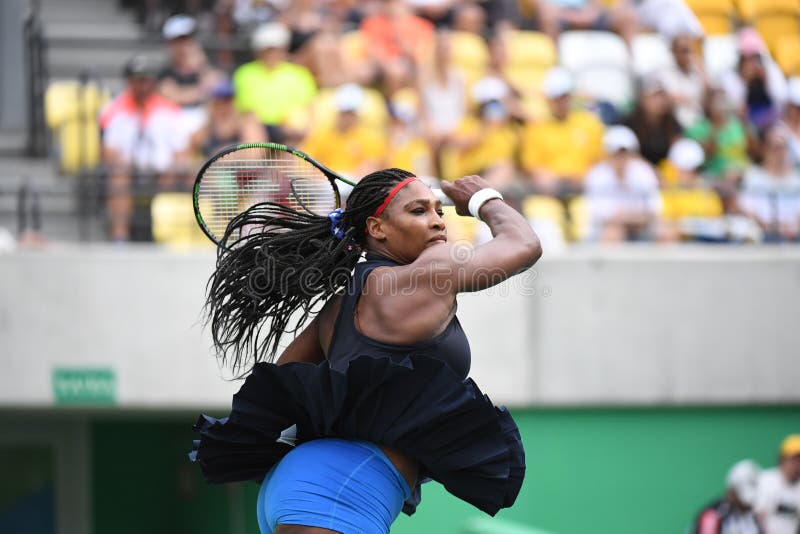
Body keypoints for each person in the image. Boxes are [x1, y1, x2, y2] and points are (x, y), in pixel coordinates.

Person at [191, 169, 541, 533]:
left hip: (306, 487)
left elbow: (279, 387)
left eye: (440, 211)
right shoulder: (430, 271)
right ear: (377, 229)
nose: (438, 222)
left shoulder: (337, 304)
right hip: (338, 492)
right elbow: (523, 245)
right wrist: (485, 200)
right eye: (419, 211)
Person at [100, 55, 192, 241]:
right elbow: (108, 153)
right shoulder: (114, 109)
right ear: (129, 81)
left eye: (147, 80)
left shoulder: (169, 110)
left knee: (191, 174)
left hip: (164, 171)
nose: (143, 86)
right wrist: (125, 165)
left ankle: (185, 238)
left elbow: (183, 151)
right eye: (138, 80)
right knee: (118, 177)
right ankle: (120, 239)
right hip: (130, 172)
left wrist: (173, 169)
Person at [521, 66, 604, 195]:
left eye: (564, 97)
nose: (561, 103)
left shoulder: (589, 124)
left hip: (584, 186)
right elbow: (532, 166)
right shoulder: (536, 128)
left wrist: (582, 177)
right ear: (548, 100)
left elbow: (599, 161)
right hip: (552, 189)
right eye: (557, 98)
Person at [233, 22, 317, 143]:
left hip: (289, 129)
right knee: (251, 130)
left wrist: (293, 126)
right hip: (259, 127)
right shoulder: (244, 73)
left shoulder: (300, 74)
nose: (272, 54)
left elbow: (309, 108)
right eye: (268, 49)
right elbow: (245, 110)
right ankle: (254, 160)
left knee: (296, 134)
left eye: (276, 49)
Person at [584, 125, 661, 242]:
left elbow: (655, 207)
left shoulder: (643, 171)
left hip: (642, 227)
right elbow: (595, 212)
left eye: (624, 153)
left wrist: (627, 218)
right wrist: (630, 218)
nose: (621, 158)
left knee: (666, 232)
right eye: (616, 153)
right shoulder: (596, 174)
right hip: (607, 228)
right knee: (613, 233)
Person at [158, 14, 224, 136]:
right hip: (175, 127)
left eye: (189, 38)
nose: (186, 44)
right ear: (170, 44)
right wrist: (203, 90)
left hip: (204, 127)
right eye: (181, 39)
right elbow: (175, 96)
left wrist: (201, 66)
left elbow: (218, 87)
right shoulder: (165, 73)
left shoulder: (203, 67)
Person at [719, 28, 788, 133]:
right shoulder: (729, 76)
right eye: (746, 58)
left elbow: (781, 102)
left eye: (754, 57)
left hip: (771, 121)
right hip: (742, 124)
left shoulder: (770, 69)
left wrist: (767, 81)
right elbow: (735, 108)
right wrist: (744, 82)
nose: (751, 63)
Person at [739, 126, 800, 242]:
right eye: (774, 147)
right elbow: (746, 208)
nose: (778, 152)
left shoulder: (797, 179)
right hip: (761, 236)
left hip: (795, 236)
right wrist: (765, 225)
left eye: (782, 147)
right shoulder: (753, 177)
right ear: (765, 149)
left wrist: (792, 227)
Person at [190, 79, 266, 158]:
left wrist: (223, 154)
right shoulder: (205, 130)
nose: (224, 105)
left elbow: (255, 153)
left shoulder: (247, 122)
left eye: (228, 100)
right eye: (220, 100)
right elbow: (188, 157)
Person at [623, 75, 683, 168]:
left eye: (662, 96)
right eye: (654, 97)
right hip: (639, 171)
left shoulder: (671, 123)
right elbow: (625, 154)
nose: (660, 101)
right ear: (642, 99)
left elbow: (678, 150)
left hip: (667, 171)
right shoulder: (629, 123)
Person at [693, 459, 763, 534]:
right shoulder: (712, 516)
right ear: (731, 491)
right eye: (741, 498)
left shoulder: (756, 516)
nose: (748, 505)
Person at [660, 34, 708, 129]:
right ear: (674, 52)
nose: (688, 55)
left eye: (690, 51)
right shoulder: (665, 73)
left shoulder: (696, 73)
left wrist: (702, 72)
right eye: (684, 51)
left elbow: (707, 98)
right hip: (676, 125)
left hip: (699, 121)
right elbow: (672, 98)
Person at [755, 435, 800, 534]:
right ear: (782, 459)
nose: (797, 465)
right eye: (794, 459)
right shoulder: (765, 480)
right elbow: (756, 516)